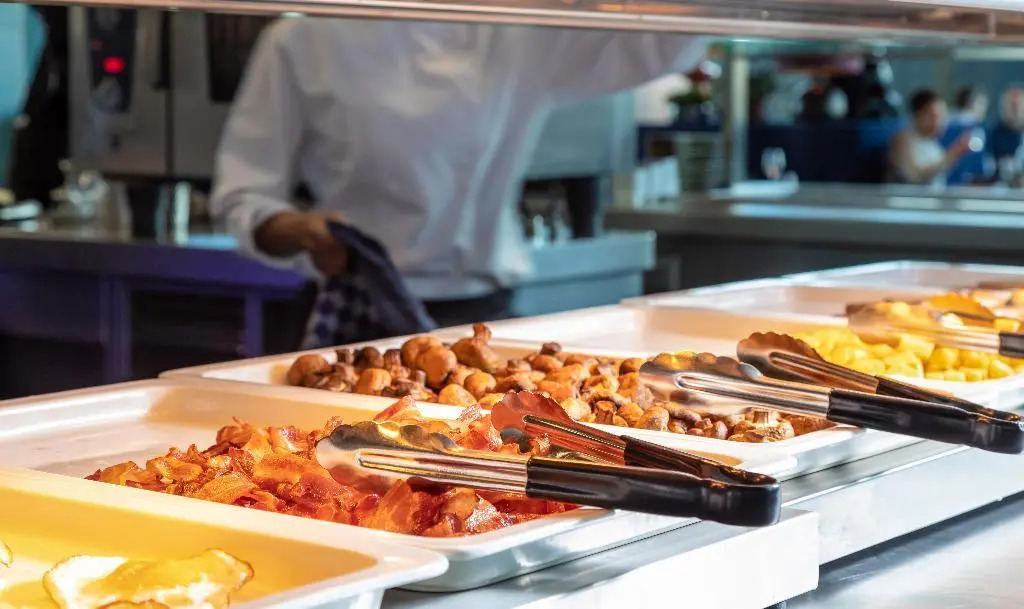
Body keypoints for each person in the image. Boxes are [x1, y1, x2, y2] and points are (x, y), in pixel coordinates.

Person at [211, 18, 708, 345]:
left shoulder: (514, 33)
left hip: (482, 317)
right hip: (354, 315)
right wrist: (301, 230)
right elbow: (244, 195)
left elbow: (665, 41)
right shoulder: (302, 39)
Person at [888, 89, 971, 186]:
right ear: (917, 115)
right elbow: (913, 176)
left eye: (943, 116)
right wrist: (952, 154)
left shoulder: (932, 142)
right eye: (934, 116)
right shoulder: (903, 140)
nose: (940, 122)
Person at [942, 86, 989, 185]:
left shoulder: (941, 124)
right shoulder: (976, 130)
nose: (984, 109)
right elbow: (978, 166)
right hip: (966, 185)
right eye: (981, 104)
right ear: (971, 103)